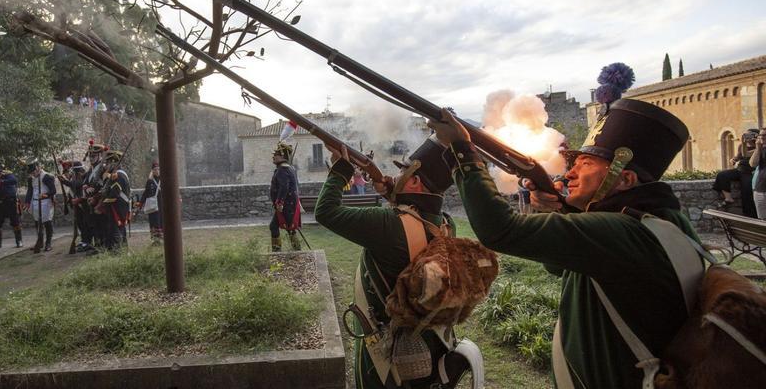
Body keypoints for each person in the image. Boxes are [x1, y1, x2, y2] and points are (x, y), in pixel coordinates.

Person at [428, 97, 701, 389]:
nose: (570, 172)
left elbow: (499, 229)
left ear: (624, 180)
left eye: (585, 164)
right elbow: (557, 266)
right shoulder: (653, 222)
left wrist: (462, 150)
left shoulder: (624, 230)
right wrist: (557, 209)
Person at [315, 138, 481, 389]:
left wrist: (341, 168)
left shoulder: (385, 224)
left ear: (414, 181)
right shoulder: (446, 224)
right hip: (429, 347)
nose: (397, 174)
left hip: (385, 354)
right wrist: (388, 190)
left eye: (403, 171)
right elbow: (412, 218)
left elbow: (325, 211)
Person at [712, 128, 758, 217]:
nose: (748, 137)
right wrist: (734, 159)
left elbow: (748, 154)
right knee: (722, 175)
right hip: (740, 169)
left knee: (747, 192)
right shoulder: (742, 145)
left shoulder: (759, 147)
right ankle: (728, 198)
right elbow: (739, 156)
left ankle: (750, 215)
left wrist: (756, 143)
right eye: (746, 134)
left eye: (750, 135)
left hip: (750, 171)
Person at [269, 142, 302, 251]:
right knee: (282, 227)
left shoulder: (283, 170)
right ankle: (280, 251)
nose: (273, 157)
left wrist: (279, 203)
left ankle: (288, 251)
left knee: (288, 229)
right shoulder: (288, 168)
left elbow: (284, 188)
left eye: (276, 154)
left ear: (282, 156)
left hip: (286, 205)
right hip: (288, 204)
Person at [97, 149, 130, 250]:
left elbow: (114, 194)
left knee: (116, 229)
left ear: (113, 163)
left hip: (118, 206)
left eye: (107, 163)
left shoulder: (118, 176)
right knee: (119, 228)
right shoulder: (117, 174)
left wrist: (102, 205)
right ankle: (121, 248)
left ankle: (118, 250)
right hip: (119, 206)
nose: (106, 165)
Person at [23, 160, 57, 253]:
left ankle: (48, 243)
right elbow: (30, 190)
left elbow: (53, 190)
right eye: (31, 172)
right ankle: (40, 242)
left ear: (38, 168)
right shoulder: (31, 178)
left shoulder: (47, 177)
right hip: (35, 203)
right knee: (37, 223)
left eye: (34, 171)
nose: (33, 174)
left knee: (47, 223)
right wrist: (27, 202)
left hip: (46, 203)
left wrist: (45, 195)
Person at [81, 141, 107, 254]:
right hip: (90, 201)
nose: (91, 158)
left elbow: (104, 185)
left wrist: (95, 193)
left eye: (94, 156)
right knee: (94, 225)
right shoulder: (91, 170)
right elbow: (85, 182)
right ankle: (97, 245)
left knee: (101, 225)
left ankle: (102, 246)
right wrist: (86, 187)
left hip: (99, 200)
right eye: (90, 156)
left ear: (100, 156)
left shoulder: (103, 168)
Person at [140, 161, 163, 244]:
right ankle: (155, 240)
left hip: (161, 205)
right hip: (152, 205)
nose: (157, 171)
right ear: (152, 170)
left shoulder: (163, 179)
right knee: (153, 222)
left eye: (158, 169)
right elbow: (146, 193)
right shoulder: (149, 181)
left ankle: (161, 239)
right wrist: (140, 204)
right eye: (155, 169)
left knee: (161, 221)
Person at [749, 128, 766, 218]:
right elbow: (753, 164)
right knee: (762, 220)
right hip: (759, 190)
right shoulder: (760, 149)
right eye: (761, 135)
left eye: (765, 135)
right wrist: (758, 148)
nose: (762, 137)